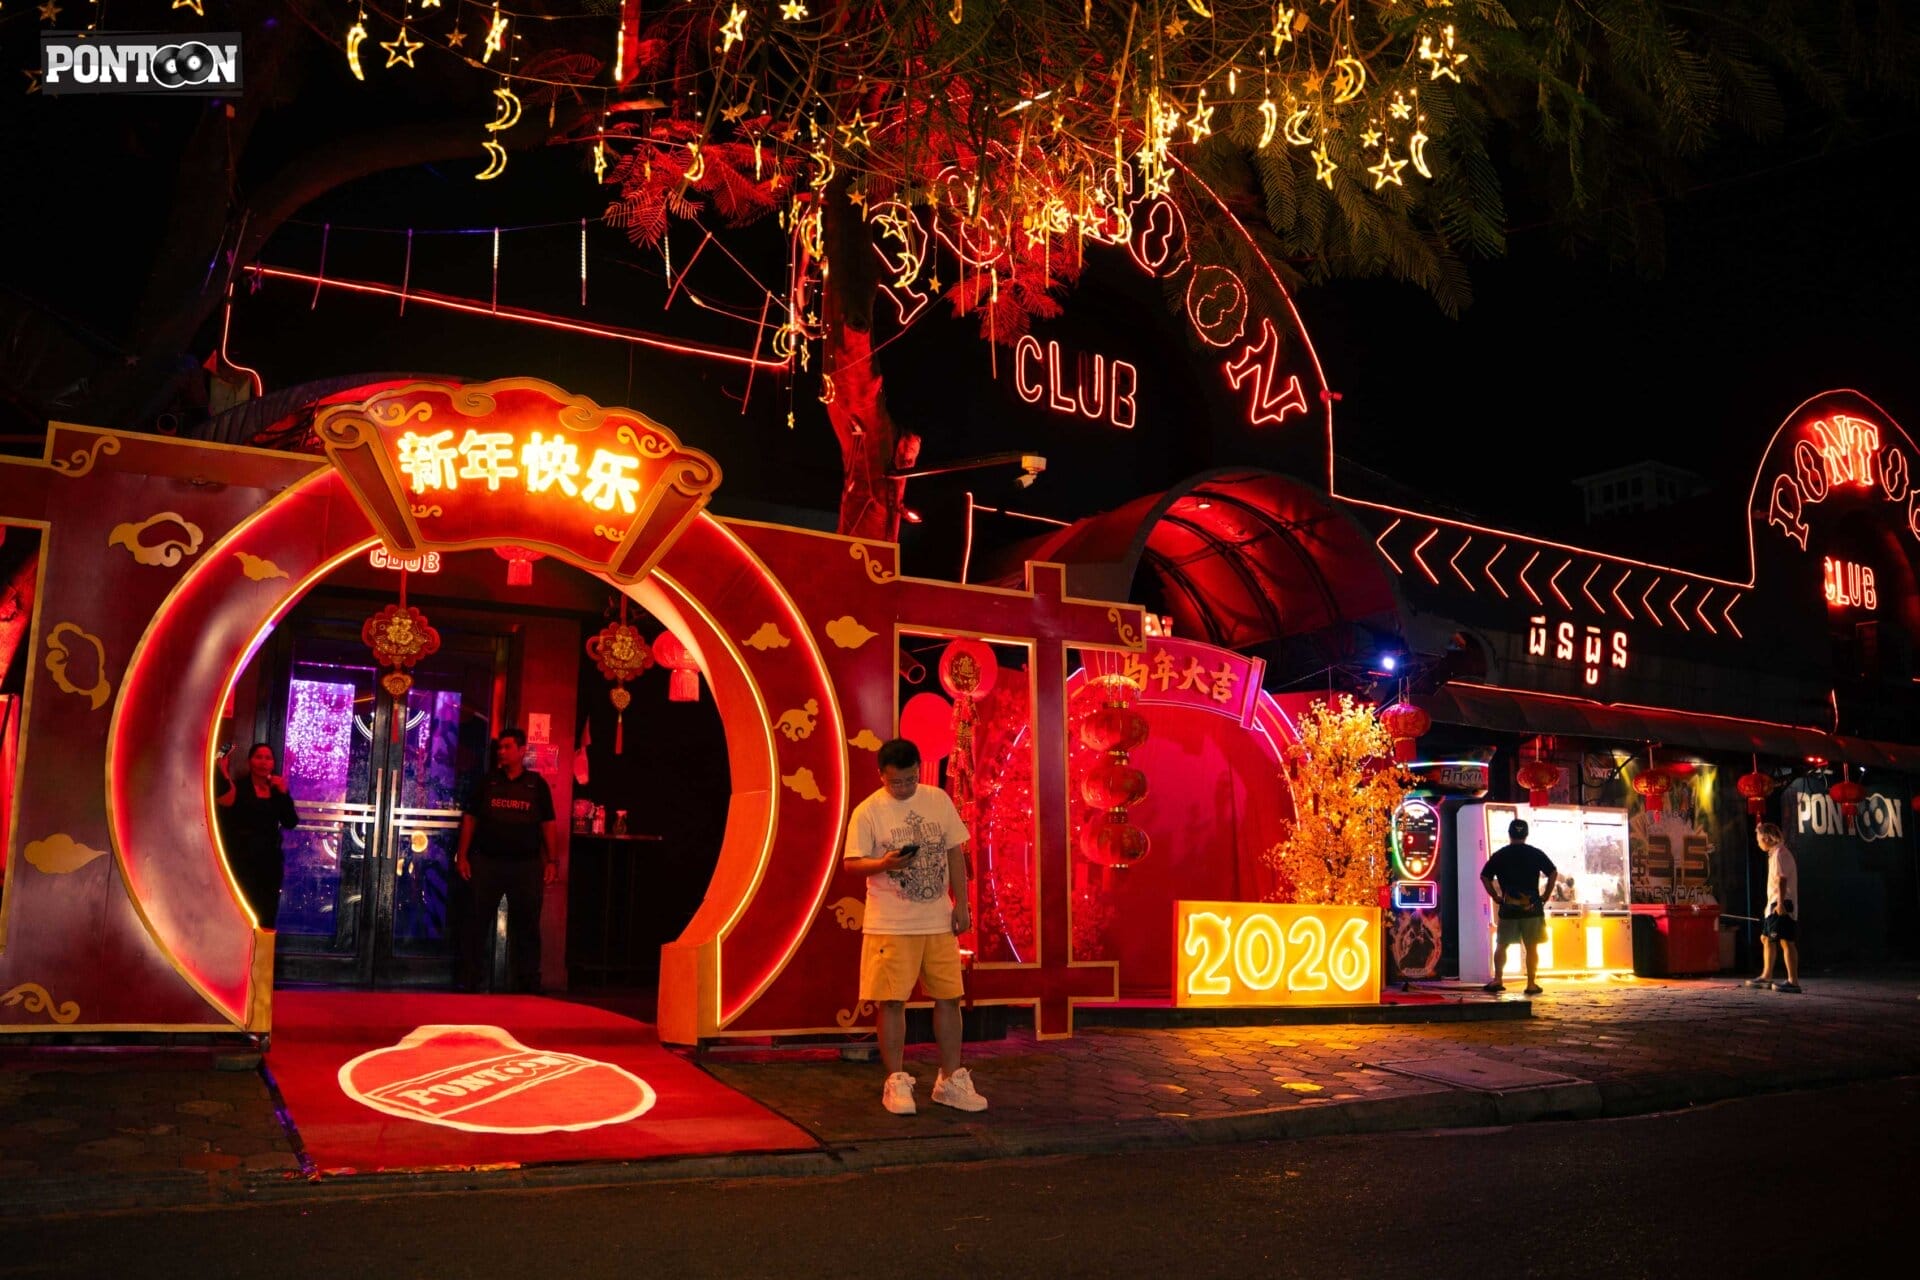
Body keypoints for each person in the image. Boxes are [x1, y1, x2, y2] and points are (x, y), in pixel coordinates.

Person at [842, 737, 987, 1116]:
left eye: (911, 779)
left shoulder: (937, 799)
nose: (905, 787)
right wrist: (885, 863)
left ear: (919, 770)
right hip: (890, 923)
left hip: (938, 919)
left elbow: (955, 853)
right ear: (881, 776)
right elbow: (851, 863)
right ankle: (896, 1080)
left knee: (949, 997)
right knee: (892, 1001)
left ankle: (950, 1079)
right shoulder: (868, 811)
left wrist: (962, 905)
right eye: (897, 782)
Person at [455, 728, 559, 994]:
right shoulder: (487, 782)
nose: (501, 752)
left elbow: (548, 824)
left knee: (528, 926)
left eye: (507, 747)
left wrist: (552, 861)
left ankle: (529, 983)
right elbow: (470, 818)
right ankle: (470, 979)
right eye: (499, 748)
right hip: (488, 863)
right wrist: (462, 856)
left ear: (522, 751)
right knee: (476, 922)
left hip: (526, 866)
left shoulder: (536, 785)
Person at [214, 742, 300, 929]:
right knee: (245, 909)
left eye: (268, 758)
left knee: (267, 911)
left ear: (273, 763)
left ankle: (264, 946)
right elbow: (227, 815)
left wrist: (284, 794)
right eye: (258, 757)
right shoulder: (240, 787)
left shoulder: (277, 790)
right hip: (243, 859)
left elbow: (290, 822)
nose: (263, 762)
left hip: (269, 861)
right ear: (249, 761)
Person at [1480, 817, 1558, 997]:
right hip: (1532, 908)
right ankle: (1531, 984)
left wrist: (1495, 896)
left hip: (1509, 908)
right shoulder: (1535, 853)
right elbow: (1553, 872)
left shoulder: (1500, 855)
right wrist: (1545, 895)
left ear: (1509, 834)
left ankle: (1498, 980)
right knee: (1531, 947)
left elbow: (1484, 876)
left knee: (1502, 945)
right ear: (1526, 834)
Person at [1744, 822, 1802, 994]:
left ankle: (1793, 981)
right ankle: (1766, 975)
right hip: (1774, 904)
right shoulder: (1775, 854)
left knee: (1786, 941)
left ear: (1767, 838)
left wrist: (1781, 903)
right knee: (1766, 938)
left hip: (1781, 904)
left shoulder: (1780, 854)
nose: (1758, 843)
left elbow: (1782, 879)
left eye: (1759, 839)